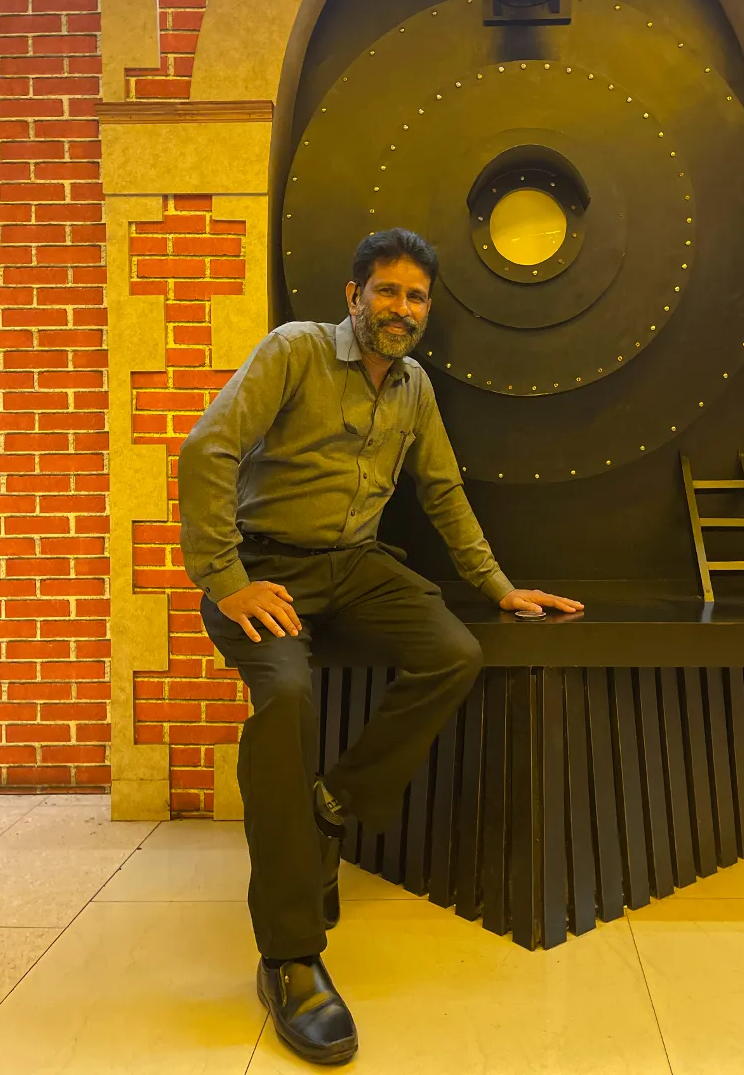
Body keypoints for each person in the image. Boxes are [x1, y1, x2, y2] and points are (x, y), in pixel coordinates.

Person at [177, 228, 583, 1065]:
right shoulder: (295, 352)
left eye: (416, 297)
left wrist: (500, 587)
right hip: (264, 565)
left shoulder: (414, 388)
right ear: (354, 297)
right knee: (289, 697)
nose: (401, 309)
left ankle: (332, 808)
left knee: (454, 651)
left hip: (354, 567)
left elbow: (441, 489)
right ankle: (290, 957)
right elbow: (206, 449)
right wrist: (225, 580)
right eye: (388, 291)